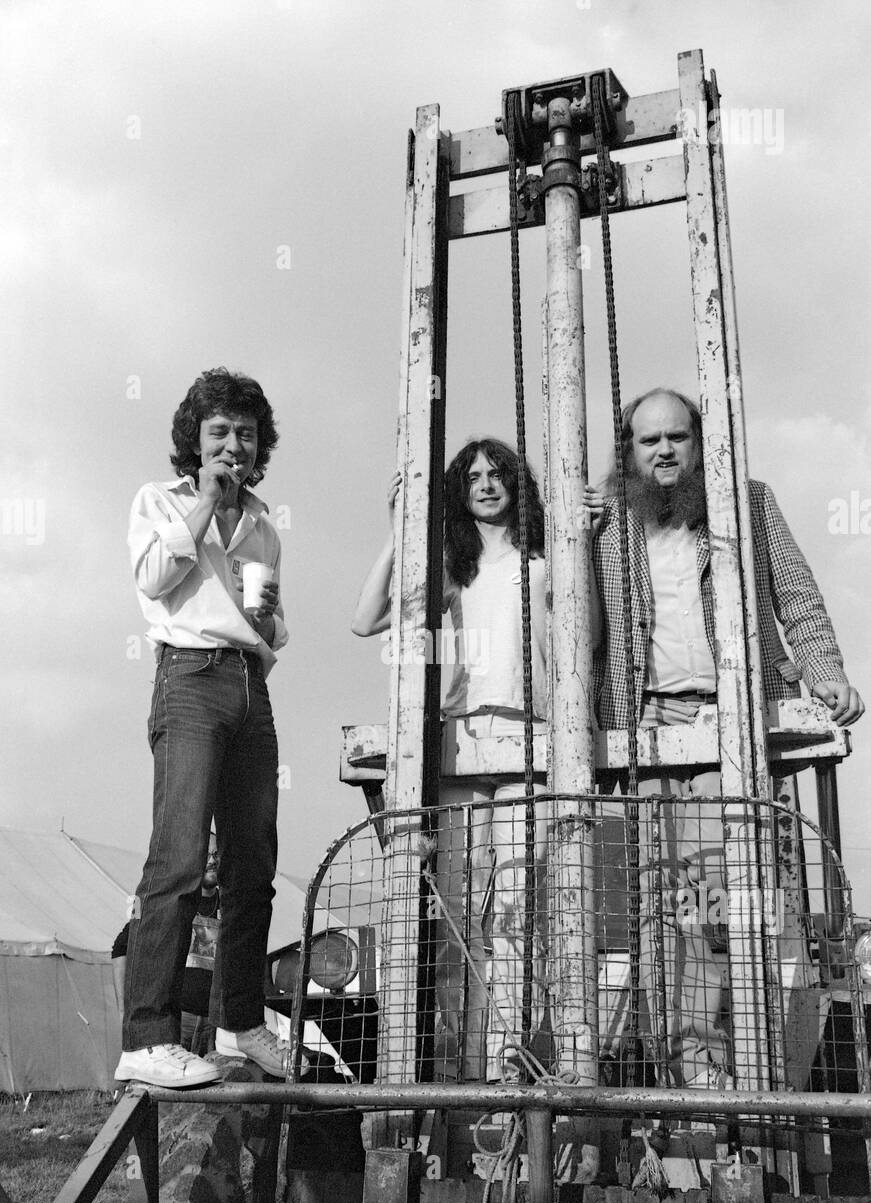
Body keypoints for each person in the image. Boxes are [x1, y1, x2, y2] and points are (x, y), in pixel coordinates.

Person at [591, 387, 864, 1088]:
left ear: (698, 440)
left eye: (675, 436)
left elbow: (795, 594)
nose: (661, 450)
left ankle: (735, 1081)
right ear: (628, 448)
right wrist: (567, 526)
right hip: (647, 726)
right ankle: (686, 1080)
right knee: (658, 912)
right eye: (646, 439)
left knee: (722, 909)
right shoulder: (608, 523)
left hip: (730, 721)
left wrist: (825, 673)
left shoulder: (745, 502)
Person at [352, 439, 602, 1082]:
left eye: (498, 474)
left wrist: (588, 545)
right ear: (456, 494)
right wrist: (399, 532)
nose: (486, 484)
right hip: (459, 743)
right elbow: (365, 617)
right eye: (472, 477)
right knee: (455, 909)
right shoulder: (446, 569)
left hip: (532, 738)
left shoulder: (546, 561)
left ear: (519, 485)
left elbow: (589, 635)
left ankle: (505, 1060)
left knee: (516, 907)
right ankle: (458, 1061)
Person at [115, 368, 293, 1088]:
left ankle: (239, 1022)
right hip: (188, 677)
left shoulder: (263, 525)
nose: (232, 445)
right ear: (194, 440)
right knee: (181, 855)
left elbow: (276, 628)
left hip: (250, 685)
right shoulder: (158, 500)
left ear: (259, 447)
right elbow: (153, 579)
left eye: (244, 434)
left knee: (253, 866)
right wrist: (205, 504)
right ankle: (147, 1037)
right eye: (218, 432)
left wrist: (265, 620)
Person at [112, 835, 220, 1057]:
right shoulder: (167, 900)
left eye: (216, 854)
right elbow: (121, 947)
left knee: (213, 1088)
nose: (211, 861)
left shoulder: (230, 904)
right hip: (177, 1020)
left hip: (215, 1024)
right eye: (206, 855)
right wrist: (124, 1010)